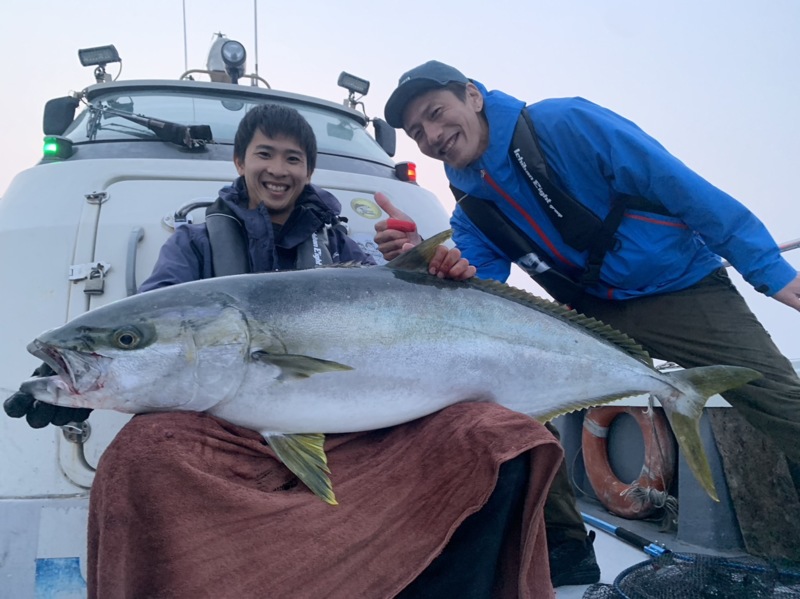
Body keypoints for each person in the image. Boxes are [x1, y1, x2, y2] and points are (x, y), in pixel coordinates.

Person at [5, 103, 565, 598]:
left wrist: (432, 270)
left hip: (344, 419)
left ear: (308, 170)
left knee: (495, 438)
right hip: (228, 425)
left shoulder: (343, 244)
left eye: (294, 158)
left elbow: (397, 312)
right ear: (240, 162)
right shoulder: (195, 243)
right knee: (138, 458)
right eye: (265, 154)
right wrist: (88, 375)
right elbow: (155, 323)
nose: (278, 169)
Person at [375, 57, 800, 578]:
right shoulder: (470, 208)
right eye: (418, 132)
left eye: (438, 113)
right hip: (588, 316)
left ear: (473, 95)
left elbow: (678, 185)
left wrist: (767, 268)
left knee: (779, 398)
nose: (434, 135)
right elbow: (478, 291)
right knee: (511, 416)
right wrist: (425, 257)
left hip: (680, 287)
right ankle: (568, 551)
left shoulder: (564, 123)